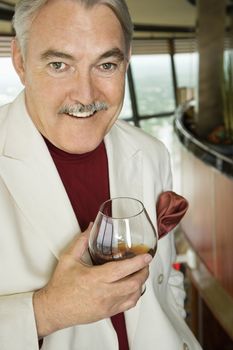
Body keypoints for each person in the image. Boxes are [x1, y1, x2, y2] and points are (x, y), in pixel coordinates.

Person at [0, 0, 202, 349]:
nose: (85, 95)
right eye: (59, 64)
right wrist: (47, 311)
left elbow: (165, 279)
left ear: (127, 60)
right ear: (20, 60)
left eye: (106, 64)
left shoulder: (152, 152)